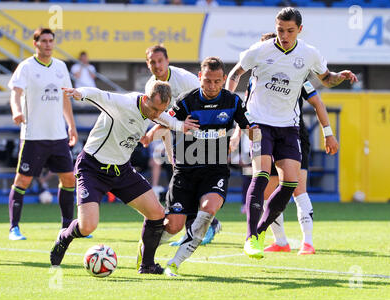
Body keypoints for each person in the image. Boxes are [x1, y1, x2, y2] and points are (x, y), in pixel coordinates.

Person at [225, 7, 357, 259]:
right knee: (261, 175)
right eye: (280, 30)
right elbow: (235, 74)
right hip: (259, 123)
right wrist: (231, 107)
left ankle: (263, 231)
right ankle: (251, 237)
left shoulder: (309, 54)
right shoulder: (260, 50)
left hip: (288, 127)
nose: (284, 35)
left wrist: (340, 76)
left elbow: (326, 78)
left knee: (290, 183)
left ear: (300, 30)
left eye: (289, 31)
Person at [50, 81, 199, 274]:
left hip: (122, 170)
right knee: (88, 227)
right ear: (145, 99)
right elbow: (99, 95)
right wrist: (80, 93)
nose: (156, 115)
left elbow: (165, 119)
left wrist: (180, 125)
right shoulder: (124, 103)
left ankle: (147, 265)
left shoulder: (154, 111)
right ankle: (64, 237)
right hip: (92, 168)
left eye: (160, 110)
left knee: (156, 213)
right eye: (154, 109)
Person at [146, 56, 258, 276]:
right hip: (186, 171)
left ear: (224, 79)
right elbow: (160, 119)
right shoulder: (186, 101)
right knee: (173, 226)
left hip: (215, 170)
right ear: (200, 78)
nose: (212, 86)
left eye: (217, 81)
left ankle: (175, 263)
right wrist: (178, 124)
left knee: (208, 209)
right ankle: (146, 249)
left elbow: (250, 128)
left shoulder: (232, 102)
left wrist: (257, 130)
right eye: (207, 81)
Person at [144, 45, 222, 245]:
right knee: (179, 182)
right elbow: (160, 118)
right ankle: (196, 228)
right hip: (175, 135)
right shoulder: (150, 86)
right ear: (148, 64)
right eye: (153, 62)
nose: (157, 65)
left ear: (167, 61)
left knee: (193, 181)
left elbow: (206, 96)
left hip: (199, 132)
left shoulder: (183, 78)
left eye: (160, 61)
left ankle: (209, 225)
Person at [7, 28, 78, 241]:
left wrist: (71, 126)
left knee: (68, 179)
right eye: (44, 41)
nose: (48, 44)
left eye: (51, 41)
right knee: (23, 180)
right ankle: (14, 228)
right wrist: (17, 111)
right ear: (35, 43)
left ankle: (66, 227)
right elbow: (16, 93)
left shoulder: (61, 67)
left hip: (58, 136)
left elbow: (65, 99)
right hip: (33, 136)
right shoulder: (26, 67)